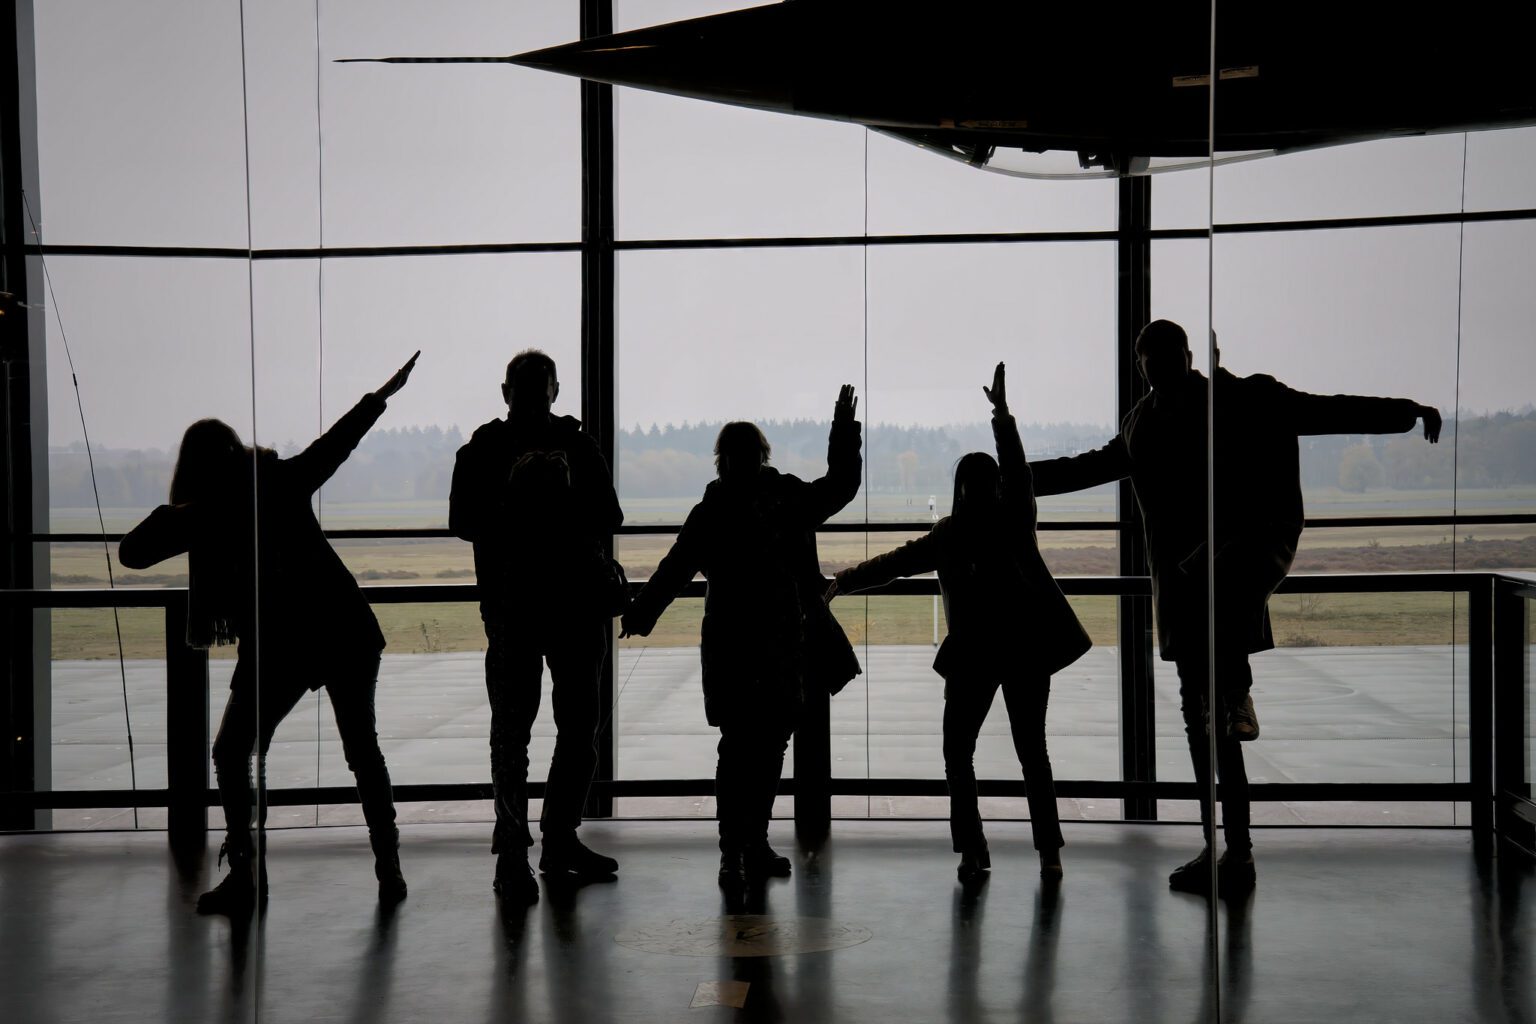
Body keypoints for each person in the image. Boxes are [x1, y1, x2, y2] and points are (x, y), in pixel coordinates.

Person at [1030, 320, 1443, 896]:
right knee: (1207, 727)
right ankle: (1230, 846)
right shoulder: (1144, 423)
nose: (1160, 366)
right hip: (1186, 590)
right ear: (1146, 364)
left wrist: (1403, 411)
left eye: (1165, 355)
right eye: (1152, 358)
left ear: (1182, 357)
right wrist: (1018, 476)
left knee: (1210, 721)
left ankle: (1233, 838)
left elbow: (1328, 412)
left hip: (1212, 579)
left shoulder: (1229, 403)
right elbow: (1086, 467)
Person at [119, 352, 421, 915]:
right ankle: (389, 865)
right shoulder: (279, 481)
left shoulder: (202, 515)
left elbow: (132, 554)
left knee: (233, 752)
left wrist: (178, 510)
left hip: (280, 645)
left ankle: (246, 875)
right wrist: (380, 397)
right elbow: (337, 444)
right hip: (342, 629)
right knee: (363, 751)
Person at [826, 363, 1089, 882]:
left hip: (973, 655)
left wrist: (841, 582)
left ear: (959, 489)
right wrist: (1002, 418)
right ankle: (1049, 855)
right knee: (1032, 753)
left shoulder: (949, 534)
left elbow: (892, 564)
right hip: (1026, 650)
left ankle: (973, 852)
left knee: (957, 754)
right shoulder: (1016, 519)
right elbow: (1020, 474)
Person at [619, 385, 862, 889]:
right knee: (767, 745)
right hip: (779, 644)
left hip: (733, 642)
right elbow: (839, 486)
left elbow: (675, 569)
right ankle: (749, 843)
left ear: (721, 460)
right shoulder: (787, 499)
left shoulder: (712, 511)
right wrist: (843, 430)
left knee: (742, 748)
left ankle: (738, 847)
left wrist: (642, 612)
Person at [449, 350, 624, 903]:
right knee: (574, 730)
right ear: (554, 389)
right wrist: (556, 502)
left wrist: (517, 506)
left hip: (513, 608)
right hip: (564, 606)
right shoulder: (578, 445)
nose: (528, 398)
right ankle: (553, 841)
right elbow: (608, 516)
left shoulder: (481, 451)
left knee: (517, 736)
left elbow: (464, 522)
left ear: (508, 391)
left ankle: (518, 854)